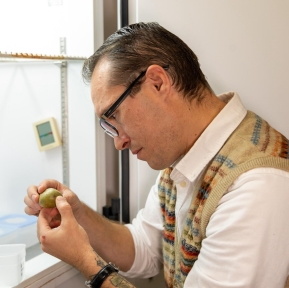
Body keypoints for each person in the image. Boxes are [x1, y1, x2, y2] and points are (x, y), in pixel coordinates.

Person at [24, 22, 289, 288]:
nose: (119, 142)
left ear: (157, 83)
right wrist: (78, 215)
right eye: (109, 126)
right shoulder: (186, 154)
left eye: (114, 116)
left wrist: (86, 261)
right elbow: (143, 249)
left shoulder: (257, 185)